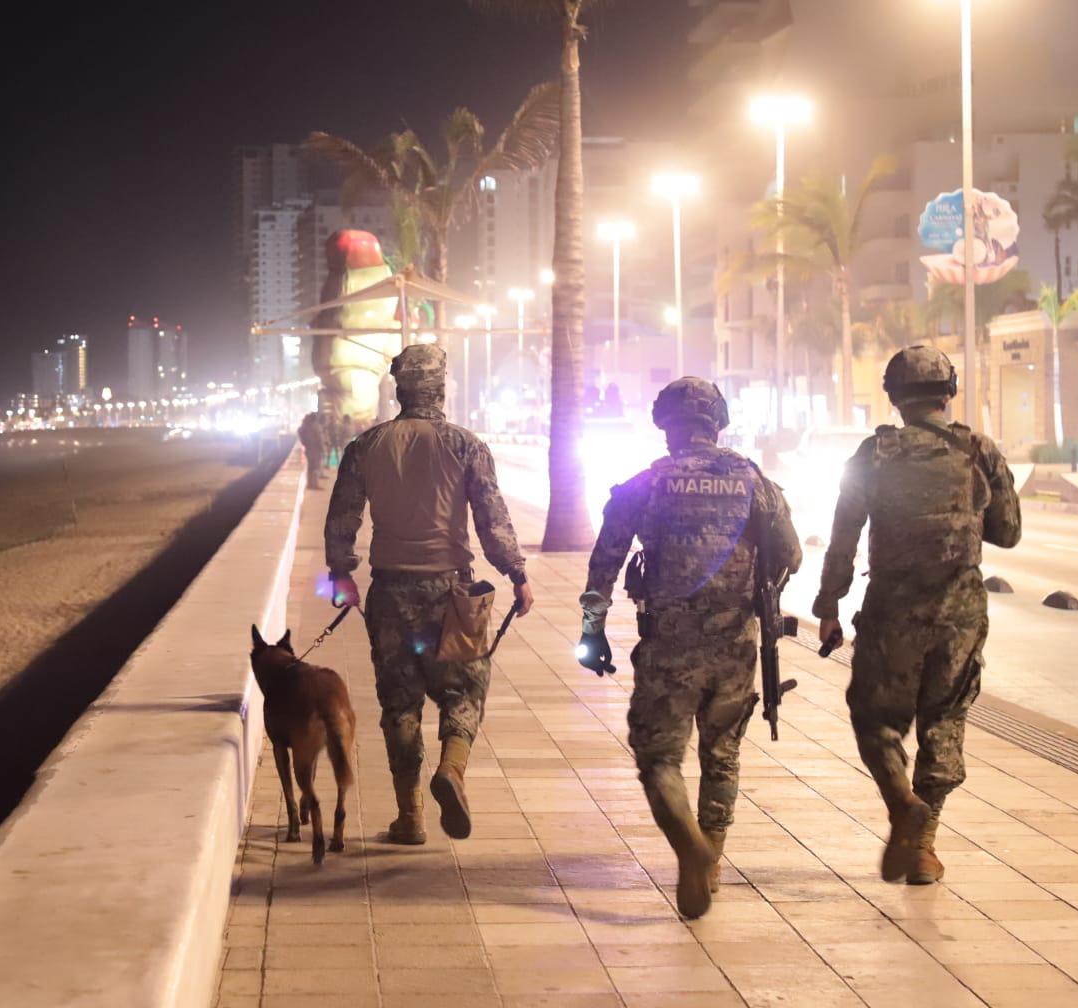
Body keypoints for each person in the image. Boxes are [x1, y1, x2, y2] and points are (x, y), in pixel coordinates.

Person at [578, 378, 801, 919]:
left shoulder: (647, 483)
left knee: (658, 758)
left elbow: (604, 564)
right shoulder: (753, 480)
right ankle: (712, 857)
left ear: (665, 426)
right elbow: (791, 556)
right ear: (717, 423)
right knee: (722, 754)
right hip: (735, 646)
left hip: (668, 647)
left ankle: (688, 845)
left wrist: (592, 631)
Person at [813, 345, 1021, 885]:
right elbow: (1008, 532)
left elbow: (844, 536)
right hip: (960, 612)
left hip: (892, 611)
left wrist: (830, 604)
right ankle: (924, 847)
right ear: (948, 394)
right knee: (944, 722)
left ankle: (902, 805)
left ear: (894, 398)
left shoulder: (873, 454)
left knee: (873, 717)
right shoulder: (978, 450)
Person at [324, 344, 533, 845]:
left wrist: (341, 574)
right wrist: (516, 573)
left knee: (399, 701)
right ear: (440, 388)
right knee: (466, 688)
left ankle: (410, 816)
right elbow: (491, 517)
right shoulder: (465, 445)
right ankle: (451, 769)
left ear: (399, 390)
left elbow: (343, 517)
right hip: (451, 593)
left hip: (389, 590)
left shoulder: (366, 445)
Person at [297, 412, 325, 490]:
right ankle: (315, 484)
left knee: (310, 467)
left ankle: (309, 484)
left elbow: (300, 435)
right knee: (315, 467)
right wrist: (322, 448)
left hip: (308, 448)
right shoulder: (316, 426)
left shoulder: (305, 426)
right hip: (315, 449)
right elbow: (320, 438)